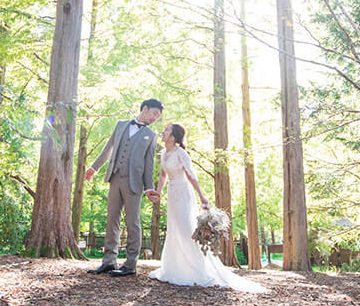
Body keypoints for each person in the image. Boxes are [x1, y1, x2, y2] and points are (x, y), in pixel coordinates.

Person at [149, 123, 264, 292]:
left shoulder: (181, 153)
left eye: (166, 131)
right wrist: (158, 192)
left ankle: (196, 269)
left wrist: (202, 196)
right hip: (172, 193)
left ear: (173, 137)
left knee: (186, 229)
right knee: (174, 230)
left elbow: (190, 174)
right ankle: (175, 268)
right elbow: (163, 174)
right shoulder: (165, 153)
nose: (163, 132)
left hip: (183, 193)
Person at [83, 98, 163, 277]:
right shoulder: (120, 125)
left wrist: (149, 188)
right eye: (154, 113)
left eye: (158, 116)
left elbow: (149, 164)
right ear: (145, 108)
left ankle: (130, 264)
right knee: (112, 220)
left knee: (132, 222)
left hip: (134, 182)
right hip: (115, 177)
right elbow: (108, 149)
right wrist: (93, 168)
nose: (155, 118)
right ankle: (109, 261)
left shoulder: (151, 135)